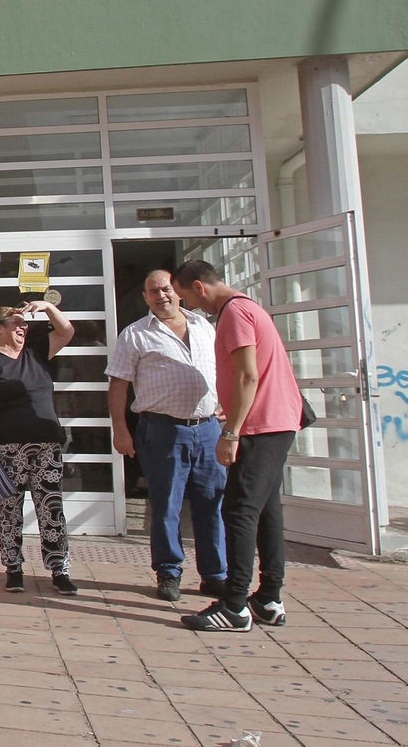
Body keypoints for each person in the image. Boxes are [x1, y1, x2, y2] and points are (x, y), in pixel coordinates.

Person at [172, 259, 304, 632]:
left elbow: (248, 375)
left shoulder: (233, 313)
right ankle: (268, 598)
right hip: (276, 421)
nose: (189, 306)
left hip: (260, 426)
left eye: (186, 297)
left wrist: (231, 432)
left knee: (239, 510)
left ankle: (234, 605)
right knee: (266, 510)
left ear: (199, 287)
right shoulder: (248, 306)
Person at [107, 270, 227, 603]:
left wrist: (228, 404)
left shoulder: (204, 326)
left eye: (166, 289)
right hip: (163, 431)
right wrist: (120, 429)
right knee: (166, 506)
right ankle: (169, 572)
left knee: (212, 503)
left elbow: (225, 367)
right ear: (145, 298)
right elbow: (118, 384)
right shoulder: (135, 334)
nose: (161, 295)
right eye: (153, 291)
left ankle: (215, 575)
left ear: (177, 292)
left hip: (208, 429)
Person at [0, 300, 79, 595]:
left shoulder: (36, 351)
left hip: (46, 444)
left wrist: (47, 307)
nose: (23, 327)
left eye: (24, 324)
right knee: (9, 510)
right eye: (16, 323)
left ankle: (59, 569)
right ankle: (13, 568)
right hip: (7, 447)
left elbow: (67, 332)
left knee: (51, 508)